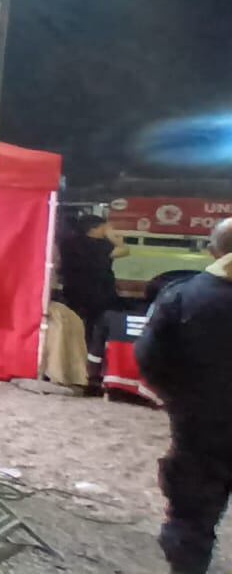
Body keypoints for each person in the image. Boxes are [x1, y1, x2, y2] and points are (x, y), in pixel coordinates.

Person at [136, 217, 232, 574]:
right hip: (200, 419)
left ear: (212, 250)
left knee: (192, 517)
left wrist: (176, 398)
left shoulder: (182, 295)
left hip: (202, 425)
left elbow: (150, 356)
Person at [57, 213, 129, 392]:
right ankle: (91, 368)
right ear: (96, 228)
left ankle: (75, 362)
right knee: (95, 330)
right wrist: (117, 240)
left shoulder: (68, 244)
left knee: (76, 326)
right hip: (99, 294)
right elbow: (124, 251)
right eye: (105, 227)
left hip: (73, 291)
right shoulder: (103, 245)